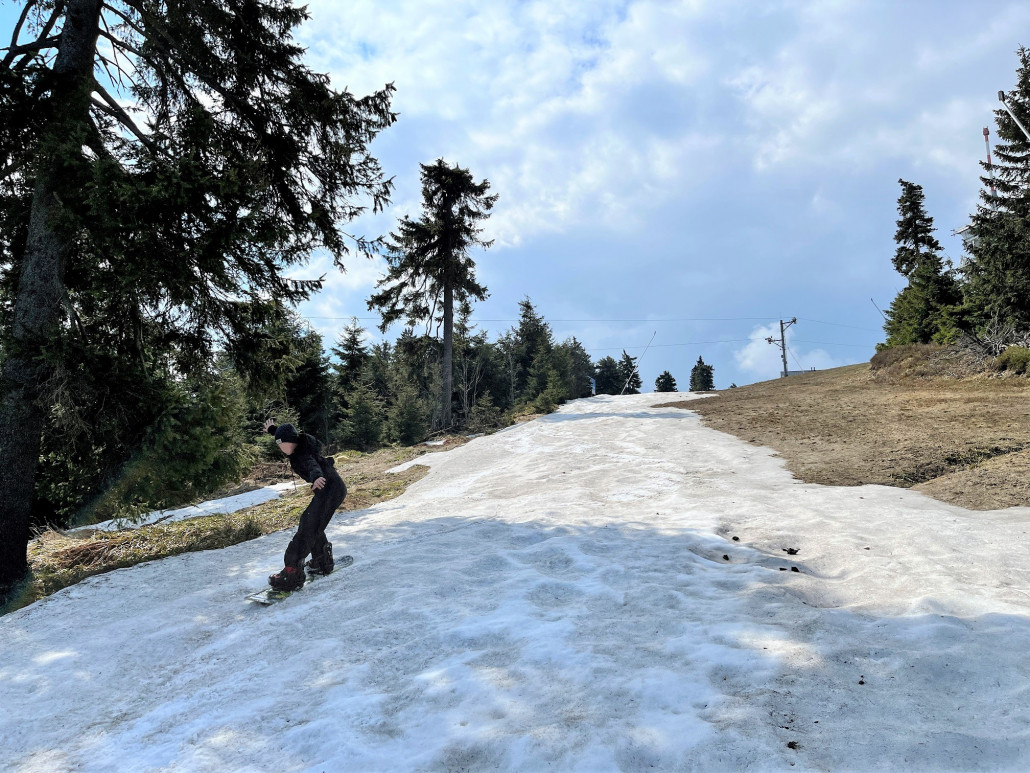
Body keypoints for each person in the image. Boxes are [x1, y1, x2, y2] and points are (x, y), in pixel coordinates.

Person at [262, 419, 347, 591]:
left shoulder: (301, 453)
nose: (279, 447)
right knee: (312, 523)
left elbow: (312, 464)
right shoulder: (299, 443)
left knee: (307, 527)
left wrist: (316, 477)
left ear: (289, 442)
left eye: (280, 444)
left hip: (328, 489)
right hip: (332, 489)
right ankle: (321, 561)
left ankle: (292, 574)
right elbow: (287, 435)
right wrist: (273, 430)